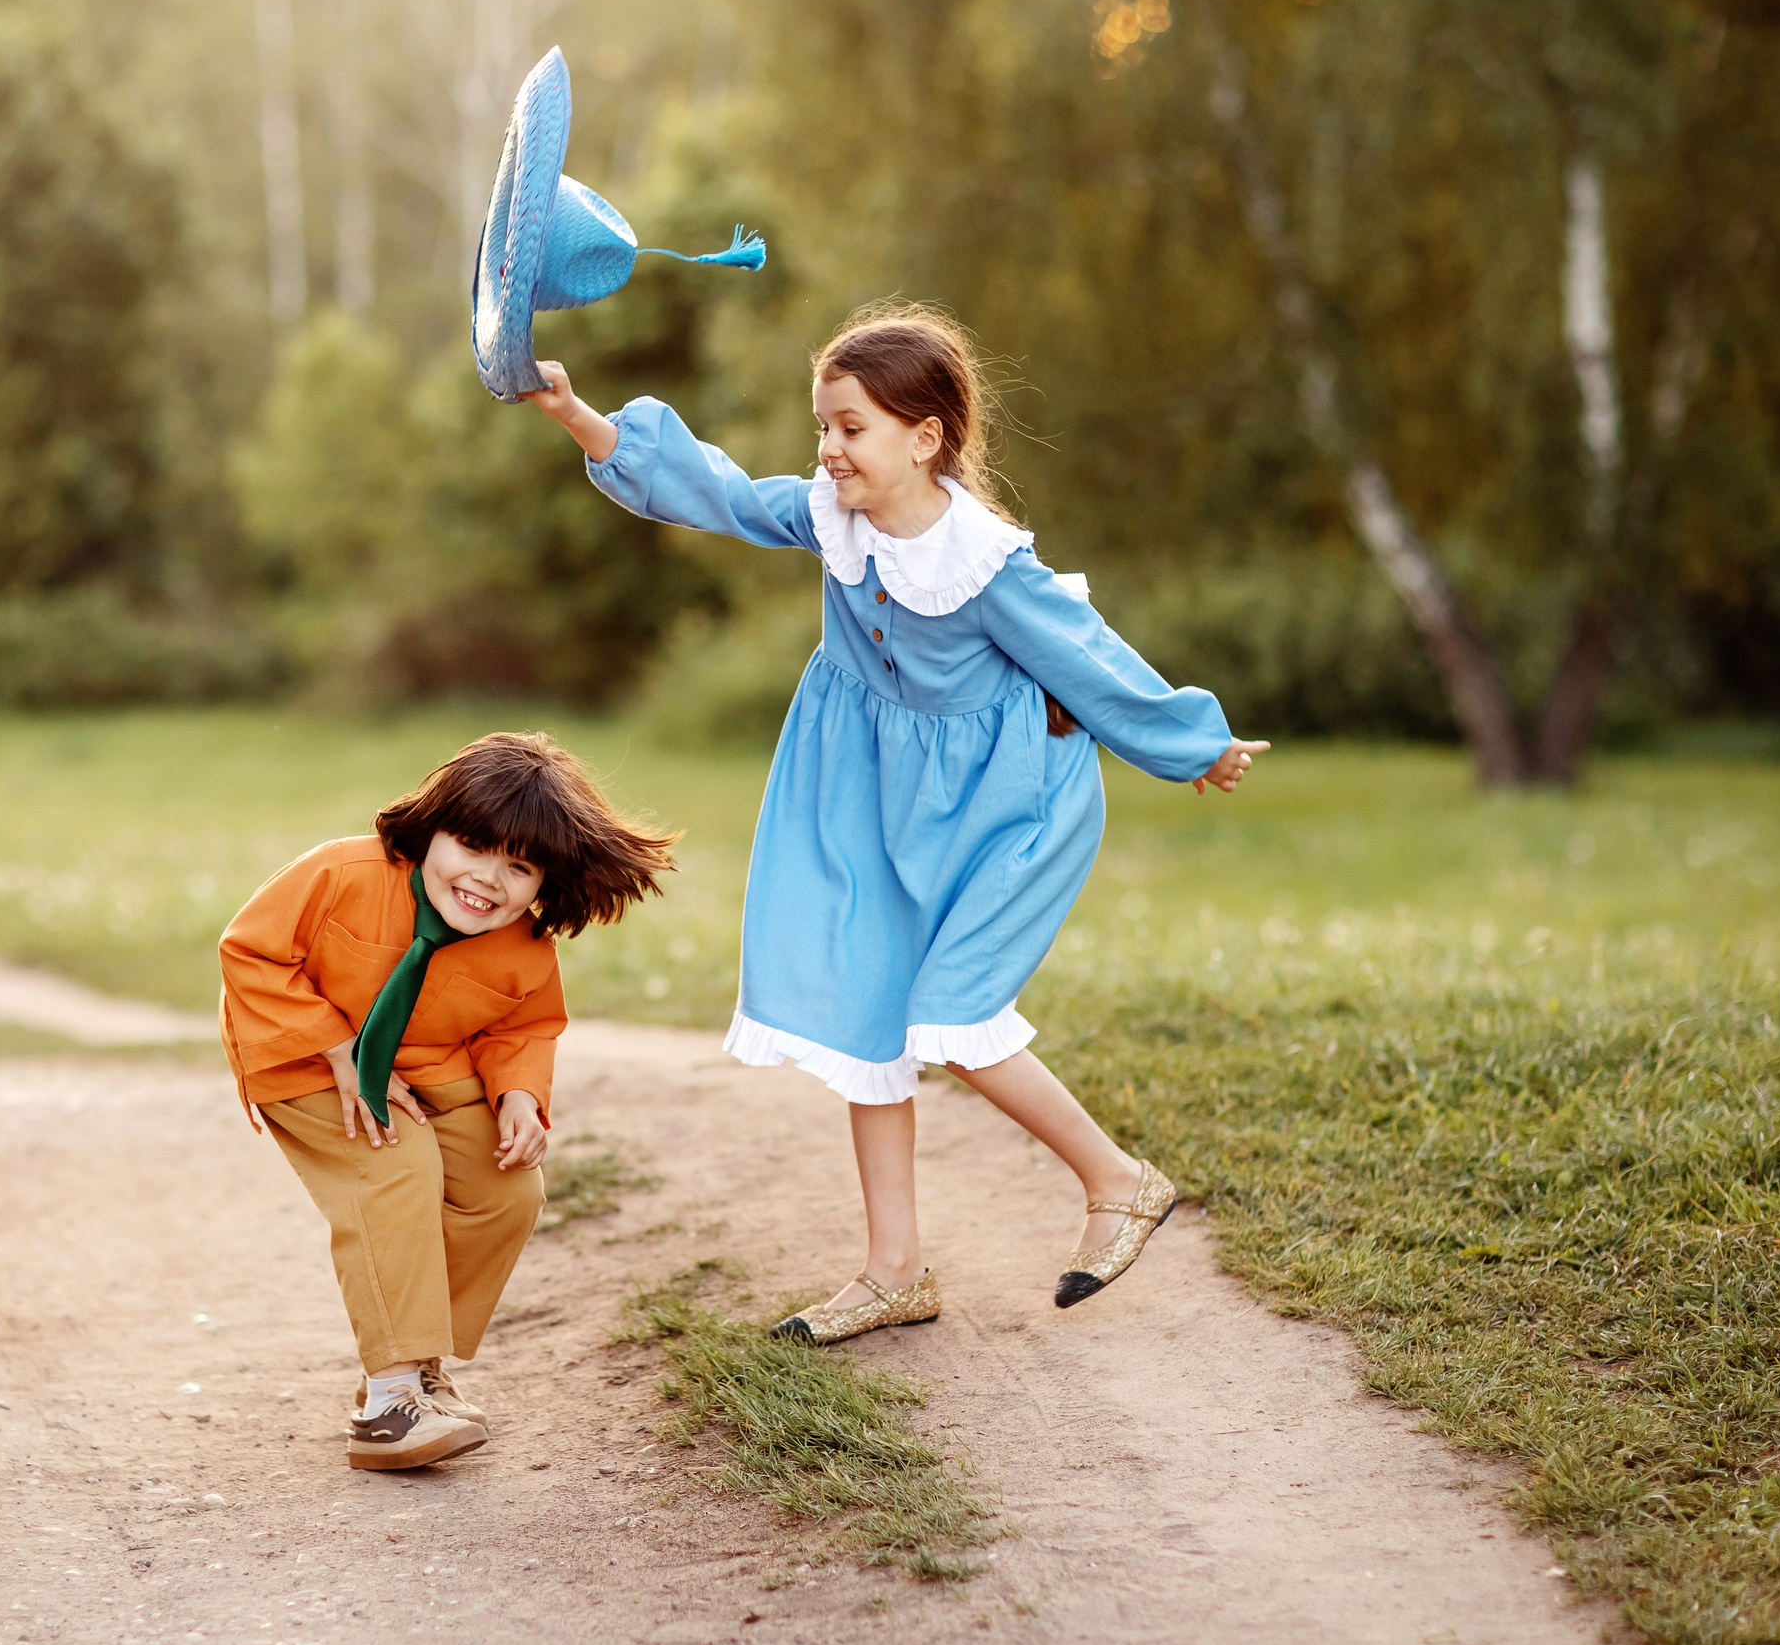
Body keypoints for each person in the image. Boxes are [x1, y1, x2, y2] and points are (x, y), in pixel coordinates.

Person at [523, 305, 1268, 1344]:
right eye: (822, 427)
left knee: (952, 1015)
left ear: (925, 438)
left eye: (851, 428)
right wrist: (575, 416)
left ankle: (1119, 1179)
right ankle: (893, 1272)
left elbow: (1086, 655)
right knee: (868, 1017)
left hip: (1007, 809)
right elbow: (718, 492)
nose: (828, 449)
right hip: (867, 794)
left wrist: (1196, 745)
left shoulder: (986, 565)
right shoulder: (832, 518)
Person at [217, 732, 677, 1467]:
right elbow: (249, 950)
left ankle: (423, 1361)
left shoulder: (524, 942)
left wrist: (521, 1096)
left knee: (507, 1189)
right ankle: (389, 1402)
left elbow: (522, 1026)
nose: (487, 880)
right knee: (396, 1167)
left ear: (544, 881)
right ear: (431, 825)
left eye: (519, 866)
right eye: (471, 845)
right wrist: (335, 1046)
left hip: (432, 1067)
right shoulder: (342, 873)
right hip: (304, 1052)